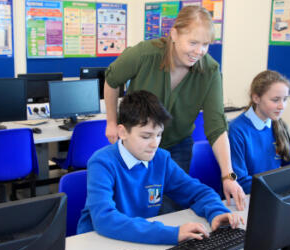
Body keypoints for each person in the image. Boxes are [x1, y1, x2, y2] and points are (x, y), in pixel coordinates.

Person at [103, 6, 245, 210]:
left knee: (170, 209)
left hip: (177, 146)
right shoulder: (145, 54)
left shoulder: (210, 70)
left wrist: (228, 176)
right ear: (175, 34)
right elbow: (112, 80)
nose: (199, 51)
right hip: (136, 144)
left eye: (205, 44)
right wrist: (111, 121)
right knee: (130, 205)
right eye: (193, 42)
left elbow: (217, 126)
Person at [77, 90, 243, 245]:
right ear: (122, 132)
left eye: (159, 135)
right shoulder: (102, 162)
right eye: (146, 136)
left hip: (139, 240)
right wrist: (171, 234)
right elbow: (104, 219)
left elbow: (198, 192)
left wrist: (217, 212)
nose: (154, 144)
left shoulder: (161, 159)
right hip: (99, 243)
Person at [229, 70, 290, 194]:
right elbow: (239, 181)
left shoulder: (280, 125)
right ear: (256, 98)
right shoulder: (236, 130)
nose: (282, 106)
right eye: (275, 100)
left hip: (271, 193)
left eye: (285, 99)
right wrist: (280, 185)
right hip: (247, 198)